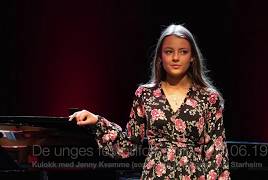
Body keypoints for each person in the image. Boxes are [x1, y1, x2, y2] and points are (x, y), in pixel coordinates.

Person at [69, 24, 231, 180]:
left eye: (183, 52)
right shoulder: (145, 94)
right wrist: (97, 121)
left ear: (193, 57)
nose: (175, 57)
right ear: (160, 57)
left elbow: (217, 153)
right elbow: (129, 144)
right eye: (169, 52)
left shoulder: (208, 98)